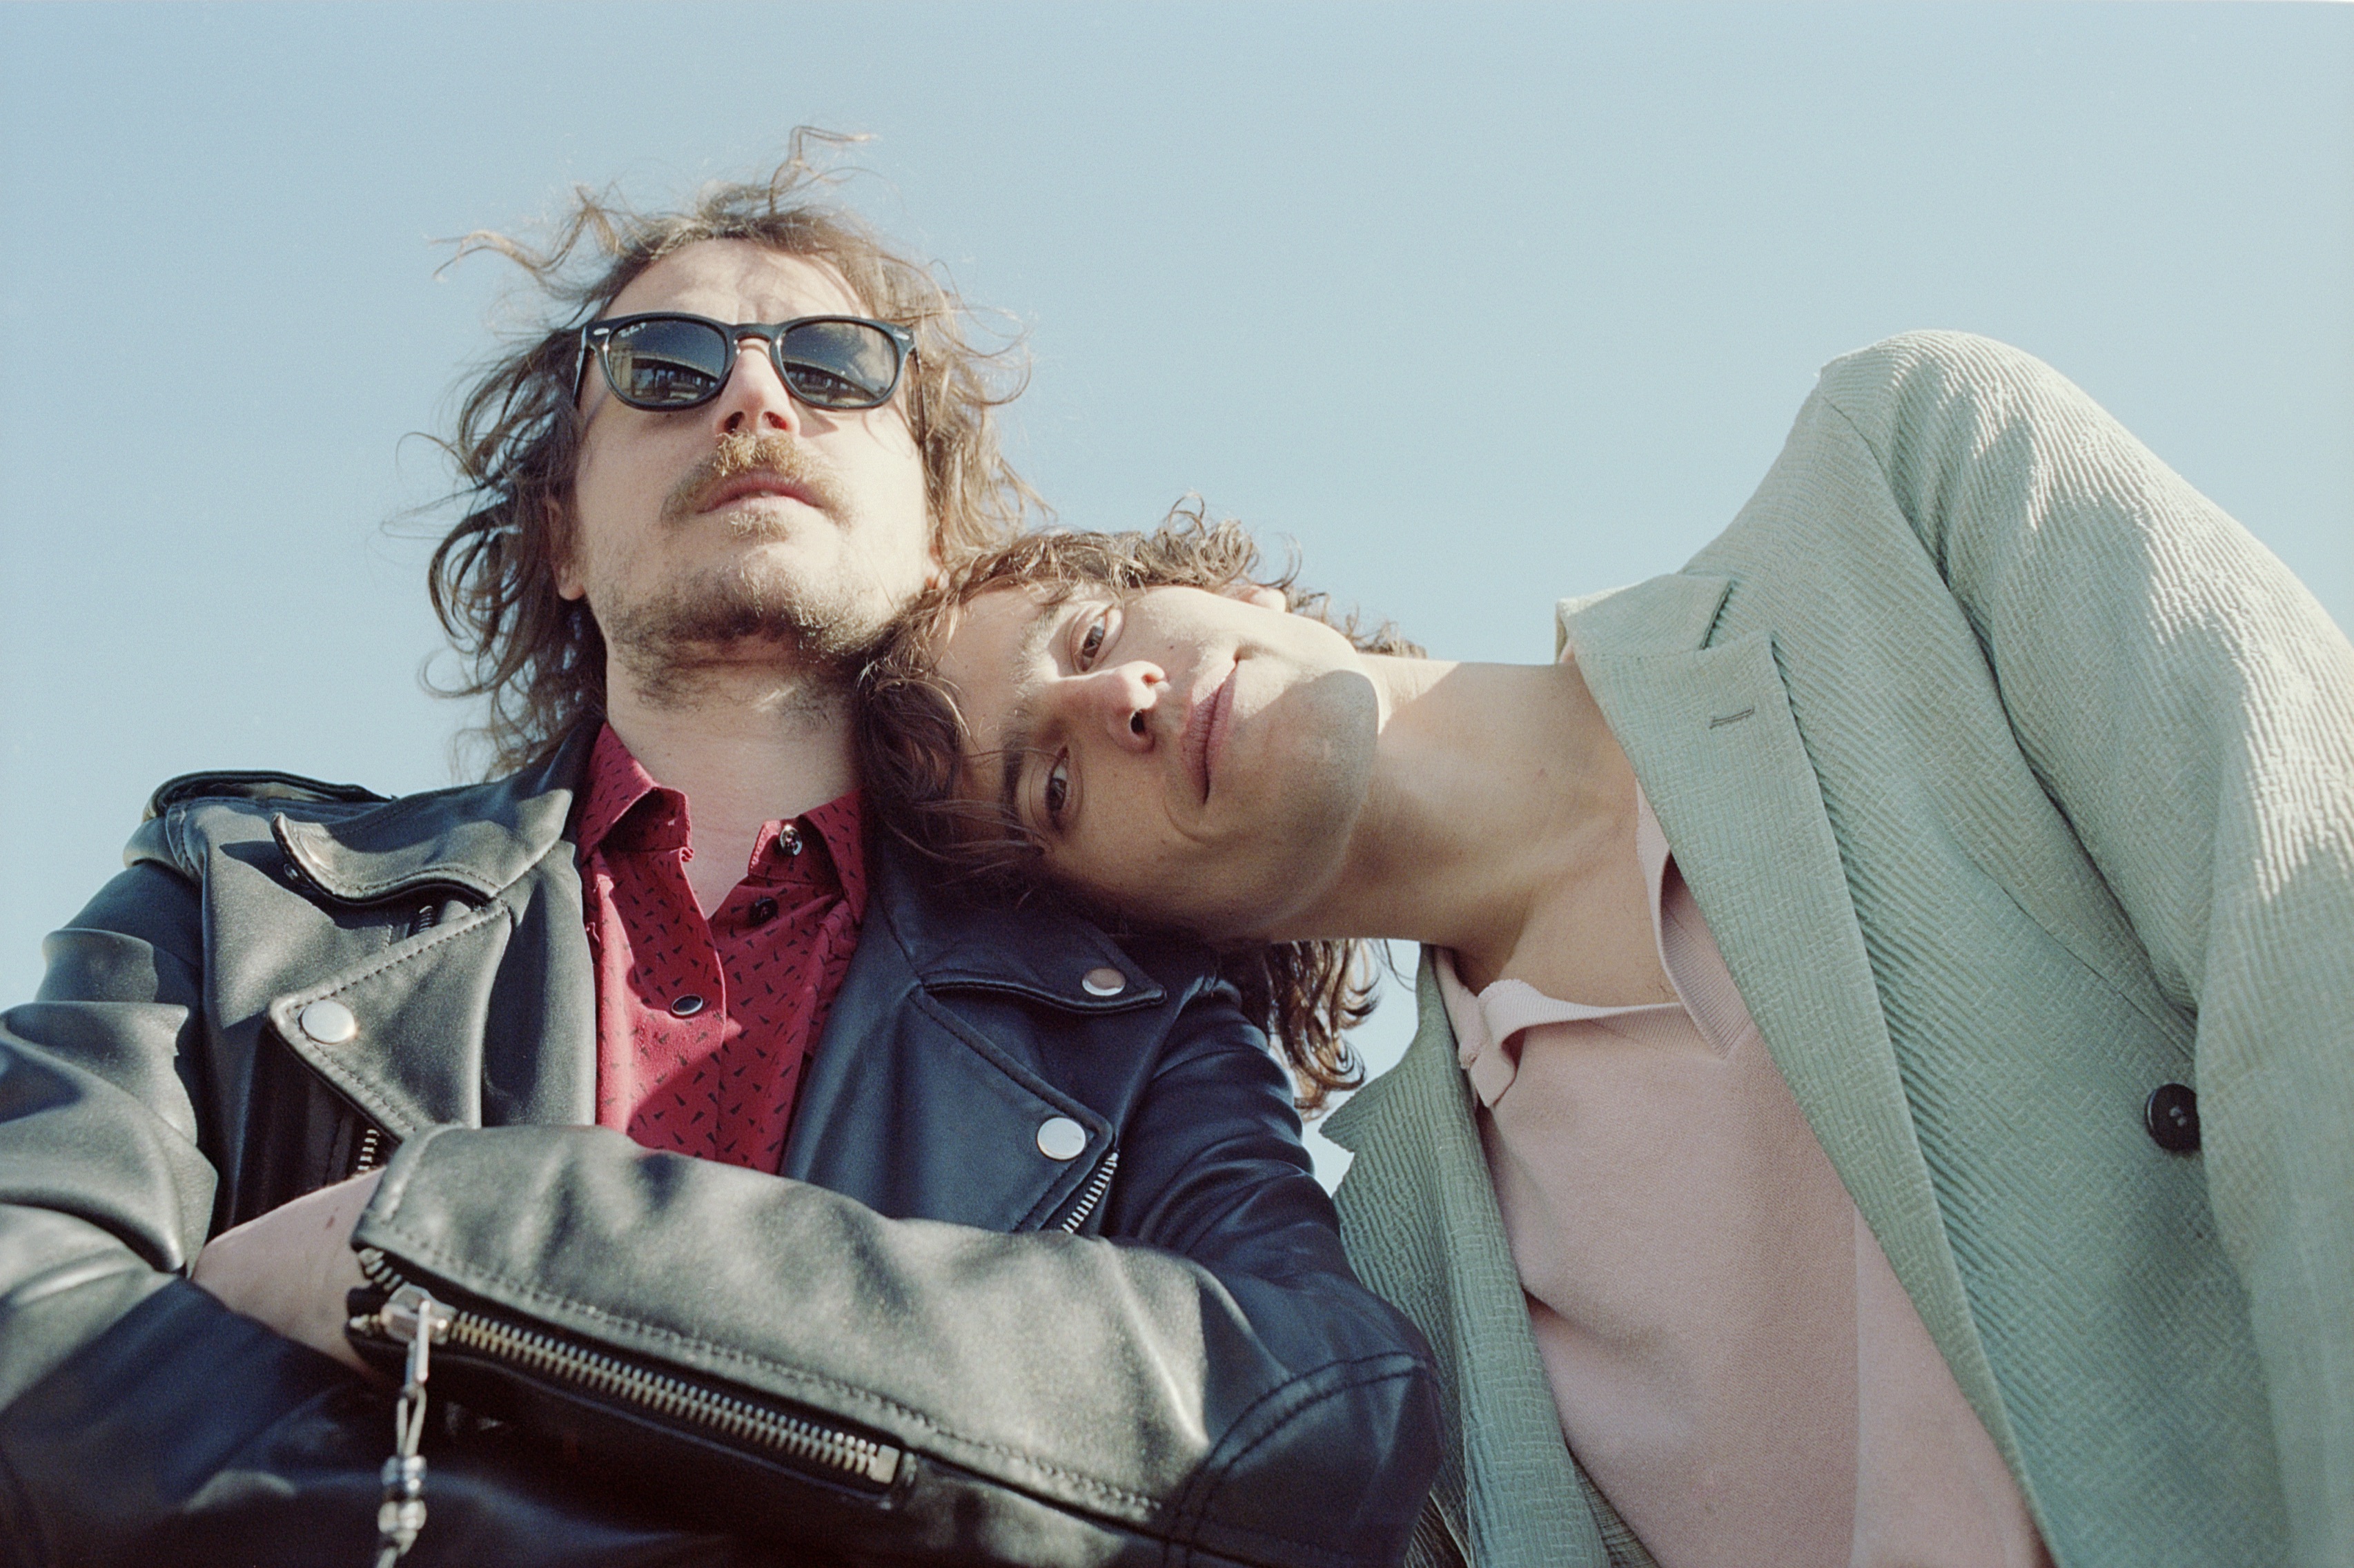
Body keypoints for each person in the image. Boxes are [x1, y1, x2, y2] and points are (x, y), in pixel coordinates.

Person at [0, 148, 1439, 1567]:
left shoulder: (1131, 1020)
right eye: (664, 367)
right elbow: (29, 1344)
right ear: (563, 536)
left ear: (935, 534)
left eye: (835, 366)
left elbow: (1320, 1429)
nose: (755, 396)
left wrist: (465, 1233)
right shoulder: (240, 896)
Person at [860, 330, 2354, 1568]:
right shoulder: (1398, 1304)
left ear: (1219, 583)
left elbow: (2312, 937)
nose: (1115, 697)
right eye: (1052, 787)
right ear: (1132, 934)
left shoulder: (1902, 486)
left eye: (1088, 631)